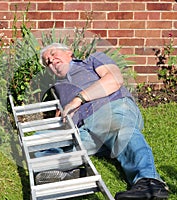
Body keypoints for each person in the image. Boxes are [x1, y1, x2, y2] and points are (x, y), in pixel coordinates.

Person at [36, 43, 169, 200]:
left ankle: (150, 183)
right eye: (47, 62)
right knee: (41, 144)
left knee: (122, 130)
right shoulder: (58, 87)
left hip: (111, 108)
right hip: (86, 129)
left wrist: (78, 100)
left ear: (69, 53)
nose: (51, 60)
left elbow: (114, 80)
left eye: (53, 53)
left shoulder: (93, 60)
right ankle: (70, 175)